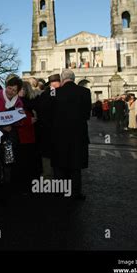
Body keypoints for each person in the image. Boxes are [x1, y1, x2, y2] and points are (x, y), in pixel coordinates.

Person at [51, 69, 91, 200]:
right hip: (78, 133)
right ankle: (75, 192)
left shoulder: (54, 92)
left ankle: (59, 191)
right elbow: (87, 114)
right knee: (76, 164)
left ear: (62, 79)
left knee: (59, 163)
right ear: (74, 78)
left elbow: (48, 114)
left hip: (59, 134)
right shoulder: (85, 92)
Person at [34, 73, 61, 180]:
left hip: (45, 129)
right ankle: (56, 175)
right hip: (56, 130)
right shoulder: (60, 94)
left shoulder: (44, 95)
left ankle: (48, 175)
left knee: (47, 154)